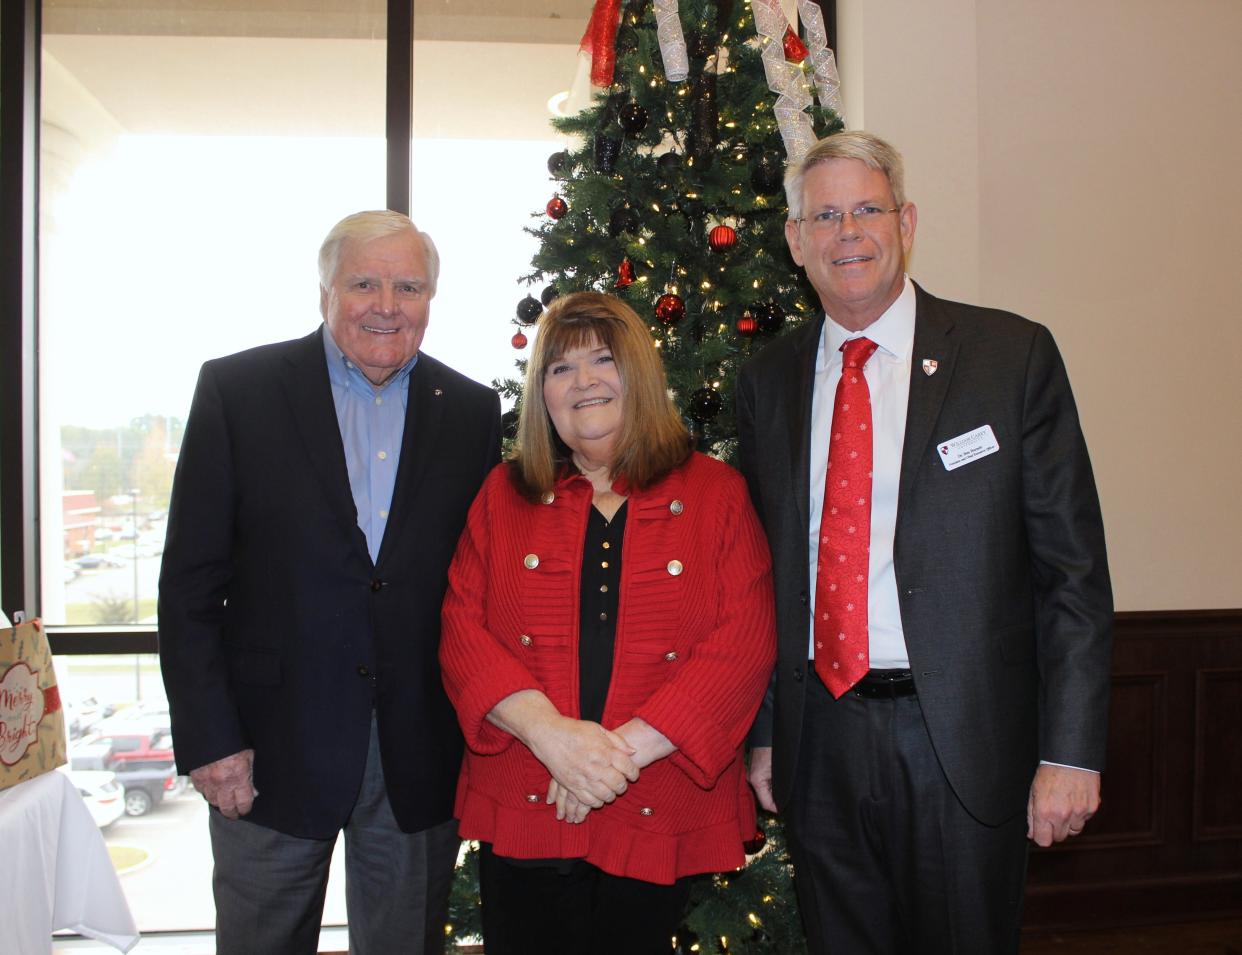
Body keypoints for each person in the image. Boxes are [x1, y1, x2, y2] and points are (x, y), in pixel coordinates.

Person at [736, 131, 1113, 953]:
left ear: (906, 221)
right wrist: (766, 731)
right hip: (820, 740)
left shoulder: (1009, 359)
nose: (848, 232)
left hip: (962, 742)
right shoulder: (767, 381)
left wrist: (1073, 752)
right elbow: (764, 575)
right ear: (797, 241)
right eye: (824, 215)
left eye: (867, 209)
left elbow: (1072, 574)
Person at [158, 210, 501, 954]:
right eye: (365, 283)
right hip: (266, 751)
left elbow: (482, 588)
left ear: (432, 299)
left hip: (417, 751)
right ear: (325, 291)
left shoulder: (472, 412)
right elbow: (189, 588)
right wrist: (211, 738)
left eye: (409, 285)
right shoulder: (238, 391)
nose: (387, 303)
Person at [439, 291, 776, 955]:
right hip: (525, 796)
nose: (583, 380)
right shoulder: (502, 495)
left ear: (639, 376)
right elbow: (461, 630)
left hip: (656, 798)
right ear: (544, 395)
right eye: (560, 368)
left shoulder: (717, 493)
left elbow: (743, 644)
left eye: (602, 359)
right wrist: (554, 739)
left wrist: (607, 761)